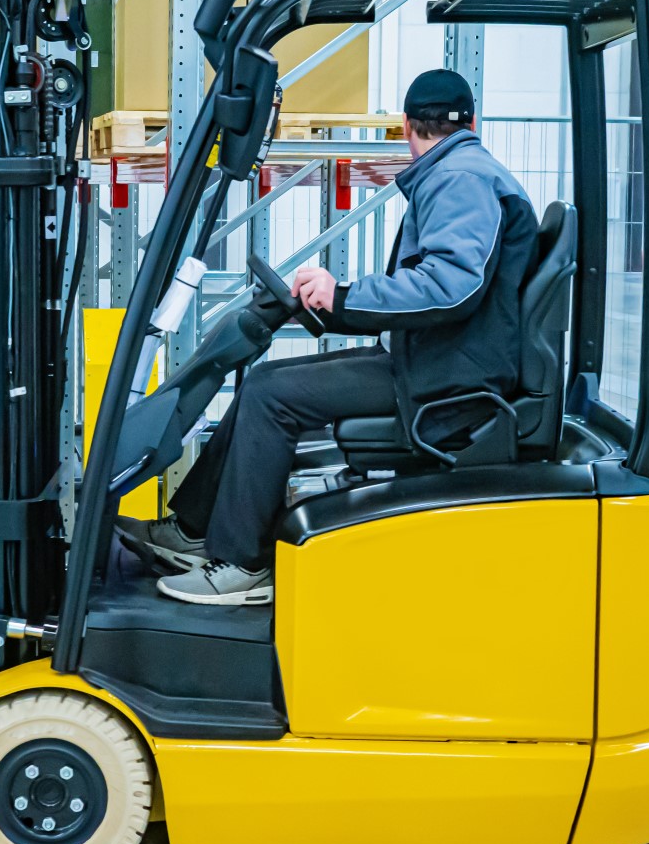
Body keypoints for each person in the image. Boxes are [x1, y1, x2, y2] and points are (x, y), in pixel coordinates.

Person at [116, 69, 541, 606]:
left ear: (407, 126)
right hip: (434, 362)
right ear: (471, 121)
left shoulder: (461, 178)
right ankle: (195, 530)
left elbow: (450, 287)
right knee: (266, 380)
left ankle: (243, 565)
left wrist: (342, 294)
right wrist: (334, 305)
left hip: (446, 383)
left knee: (272, 397)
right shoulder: (461, 170)